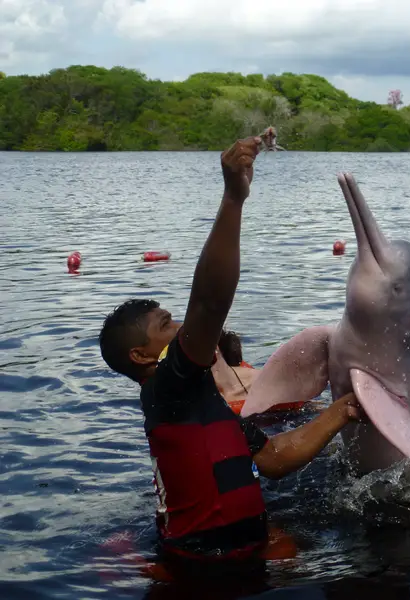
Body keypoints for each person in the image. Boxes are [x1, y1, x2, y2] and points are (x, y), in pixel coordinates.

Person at [98, 135, 362, 570]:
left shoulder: (205, 405)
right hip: (198, 565)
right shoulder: (167, 390)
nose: (182, 327)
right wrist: (233, 199)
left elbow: (274, 460)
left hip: (248, 552)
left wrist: (341, 411)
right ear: (142, 358)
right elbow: (208, 303)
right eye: (166, 326)